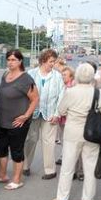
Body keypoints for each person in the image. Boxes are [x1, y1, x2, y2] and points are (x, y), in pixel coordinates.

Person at [52, 63, 101, 200]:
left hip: (72, 133)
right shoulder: (99, 93)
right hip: (92, 134)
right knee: (90, 168)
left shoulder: (71, 92)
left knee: (67, 167)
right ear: (92, 76)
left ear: (77, 75)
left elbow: (61, 110)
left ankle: (62, 199)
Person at [0, 50, 39, 190]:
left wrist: (26, 116)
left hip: (17, 123)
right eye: (8, 59)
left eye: (13, 60)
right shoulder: (5, 75)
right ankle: (2, 174)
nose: (10, 62)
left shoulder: (26, 79)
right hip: (1, 121)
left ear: (20, 61)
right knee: (0, 147)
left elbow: (35, 98)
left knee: (16, 150)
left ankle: (17, 179)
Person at [23, 49, 65, 180]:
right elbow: (24, 94)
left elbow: (62, 96)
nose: (53, 64)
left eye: (54, 61)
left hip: (50, 114)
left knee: (49, 142)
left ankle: (50, 170)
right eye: (51, 61)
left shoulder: (57, 76)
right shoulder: (30, 74)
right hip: (33, 113)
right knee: (31, 139)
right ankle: (25, 166)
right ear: (43, 61)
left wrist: (57, 113)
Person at [55, 66, 76, 166]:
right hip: (61, 116)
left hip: (69, 117)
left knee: (68, 138)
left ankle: (67, 157)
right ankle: (63, 155)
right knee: (63, 137)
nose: (63, 77)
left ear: (71, 77)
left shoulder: (72, 87)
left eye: (65, 75)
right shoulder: (61, 86)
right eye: (62, 75)